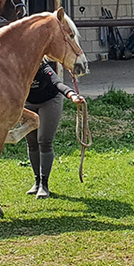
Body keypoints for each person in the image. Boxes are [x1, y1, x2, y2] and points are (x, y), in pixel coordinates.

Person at [24, 60, 84, 198]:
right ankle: (37, 182)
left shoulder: (42, 66)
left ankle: (44, 184)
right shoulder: (17, 67)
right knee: (31, 142)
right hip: (28, 103)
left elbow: (57, 83)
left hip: (49, 101)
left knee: (44, 141)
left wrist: (72, 95)